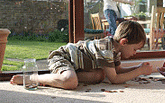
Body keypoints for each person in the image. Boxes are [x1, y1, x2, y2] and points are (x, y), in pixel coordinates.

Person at [10, 21, 152, 90]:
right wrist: (138, 72)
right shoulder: (106, 48)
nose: (135, 53)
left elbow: (118, 71)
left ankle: (59, 78)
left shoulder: (116, 51)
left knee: (100, 75)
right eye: (135, 49)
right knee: (71, 82)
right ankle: (31, 78)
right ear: (124, 42)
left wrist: (138, 67)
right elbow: (115, 79)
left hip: (77, 65)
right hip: (63, 57)